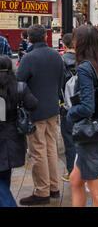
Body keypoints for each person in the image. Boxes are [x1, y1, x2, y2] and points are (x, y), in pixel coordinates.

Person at [67, 25, 98, 207]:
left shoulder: (85, 68)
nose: (73, 42)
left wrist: (70, 112)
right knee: (75, 180)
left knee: (97, 190)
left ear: (81, 42)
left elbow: (88, 107)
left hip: (90, 135)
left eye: (75, 39)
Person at [16, 24, 64, 206]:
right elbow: (61, 80)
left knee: (37, 151)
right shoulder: (55, 55)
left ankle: (42, 191)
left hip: (35, 110)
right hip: (52, 108)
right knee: (51, 148)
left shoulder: (29, 58)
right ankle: (54, 187)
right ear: (45, 36)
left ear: (29, 39)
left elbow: (19, 82)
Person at [0, 56, 37, 207]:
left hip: (2, 139)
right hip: (15, 136)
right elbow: (33, 104)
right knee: (5, 175)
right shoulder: (19, 86)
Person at [60, 34, 77, 183]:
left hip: (66, 105)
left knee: (69, 139)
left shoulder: (61, 61)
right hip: (82, 104)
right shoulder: (84, 60)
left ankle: (72, 171)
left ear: (64, 46)